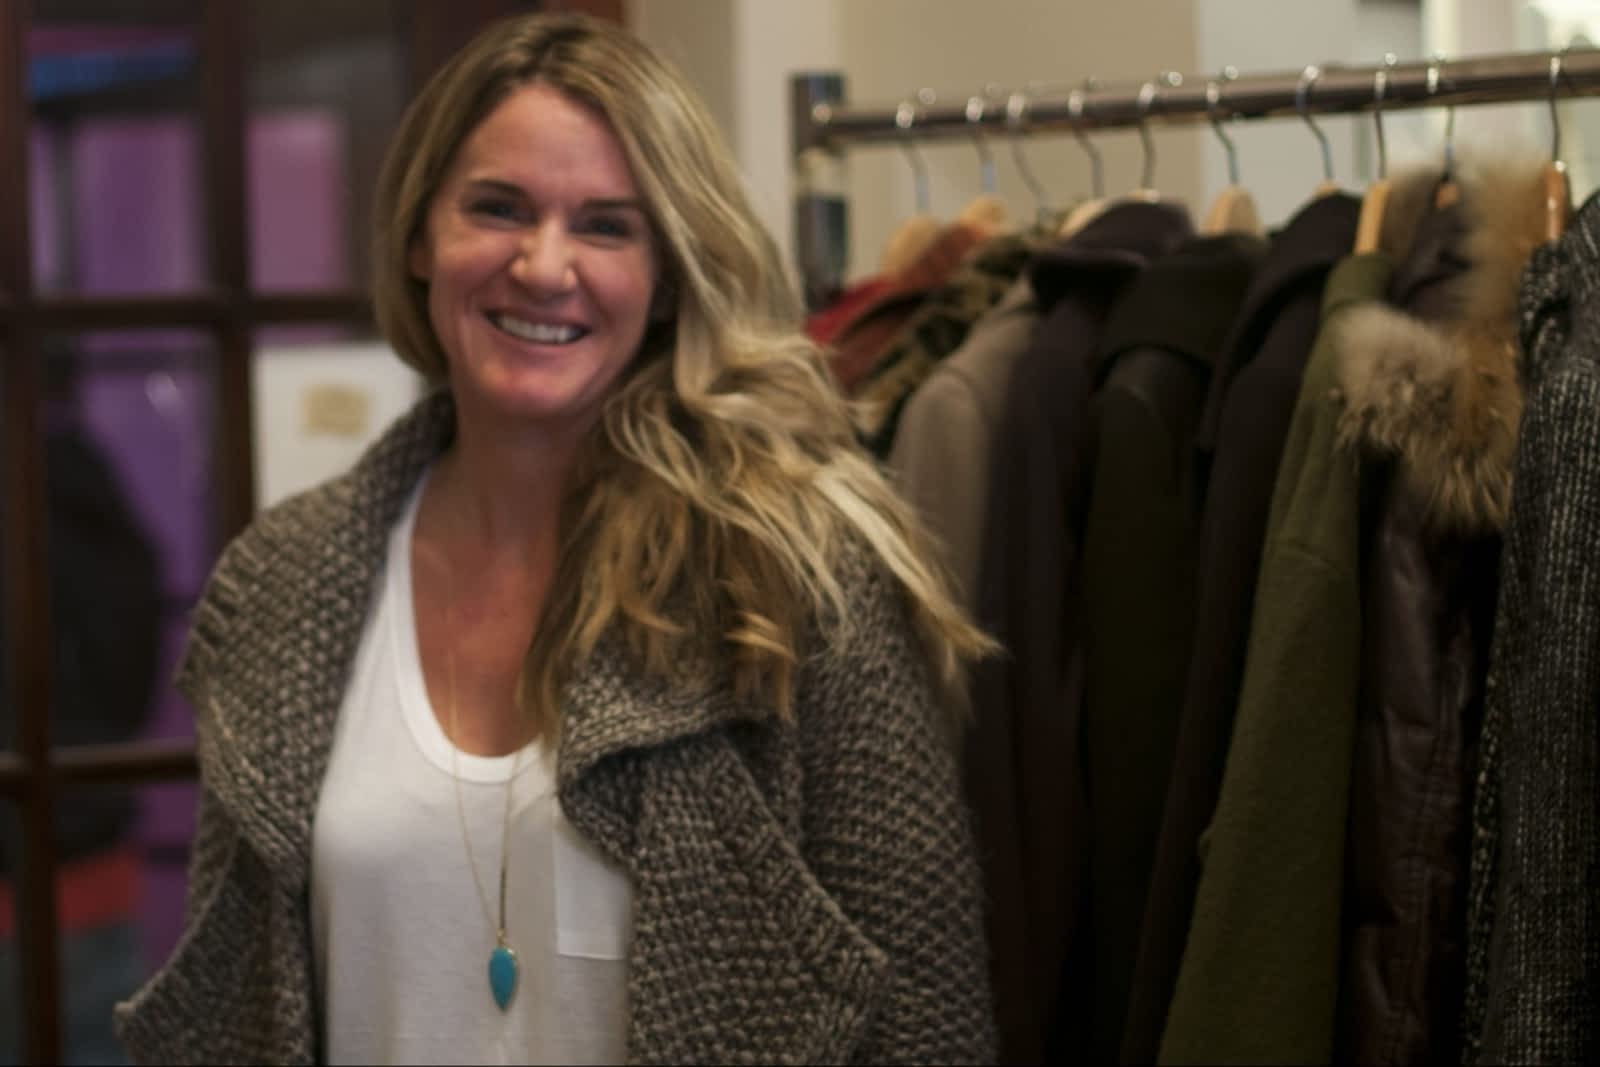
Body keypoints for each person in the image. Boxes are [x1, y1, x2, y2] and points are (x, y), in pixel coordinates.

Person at [113, 13, 997, 1065]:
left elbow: (927, 1016)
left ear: (666, 273)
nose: (542, 265)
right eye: (498, 208)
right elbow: (231, 1015)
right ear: (420, 237)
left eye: (606, 226)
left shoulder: (793, 576)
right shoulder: (283, 582)